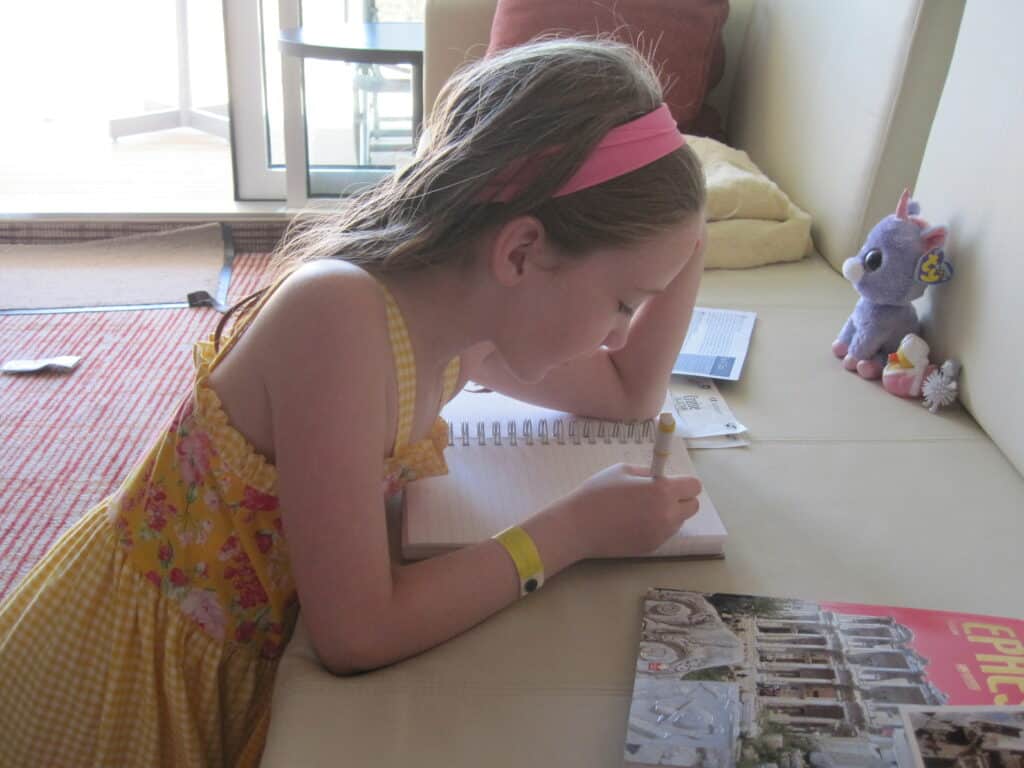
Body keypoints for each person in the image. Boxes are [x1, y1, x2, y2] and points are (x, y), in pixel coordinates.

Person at [0, 37, 707, 766]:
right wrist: (572, 531)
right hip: (138, 670)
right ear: (521, 253)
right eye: (623, 303)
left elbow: (629, 393)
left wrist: (692, 230)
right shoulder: (338, 319)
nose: (620, 331)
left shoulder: (472, 323)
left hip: (244, 642)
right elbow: (356, 634)